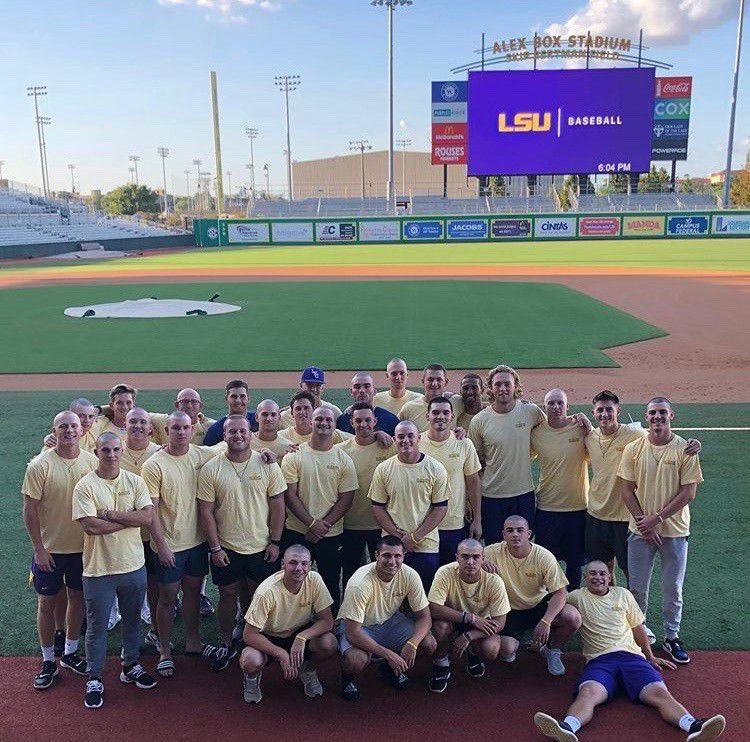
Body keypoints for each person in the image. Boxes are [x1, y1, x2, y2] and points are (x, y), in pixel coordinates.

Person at [533, 561, 725, 742]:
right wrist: (544, 628)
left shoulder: (623, 594)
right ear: (585, 577)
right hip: (600, 661)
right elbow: (555, 604)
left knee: (660, 694)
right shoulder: (577, 596)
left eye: (602, 574)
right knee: (589, 693)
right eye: (592, 573)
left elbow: (637, 627)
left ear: (609, 577)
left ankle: (694, 727)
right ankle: (567, 728)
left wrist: (650, 657)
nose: (597, 577)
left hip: (632, 658)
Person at [73, 432, 158, 709]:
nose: (111, 455)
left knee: (133, 620)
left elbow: (147, 517)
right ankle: (94, 677)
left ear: (121, 452)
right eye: (105, 450)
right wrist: (129, 520)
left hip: (133, 566)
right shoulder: (85, 486)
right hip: (98, 570)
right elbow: (90, 527)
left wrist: (108, 514)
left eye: (115, 450)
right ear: (96, 452)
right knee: (97, 627)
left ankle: (130, 665)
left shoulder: (135, 481)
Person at [197, 415, 287, 672]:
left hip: (261, 546)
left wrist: (275, 541)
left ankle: (255, 637)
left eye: (242, 431)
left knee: (257, 596)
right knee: (227, 595)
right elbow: (207, 511)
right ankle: (226, 642)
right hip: (227, 547)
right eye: (232, 432)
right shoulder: (212, 468)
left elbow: (277, 504)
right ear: (224, 435)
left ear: (251, 433)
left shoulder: (267, 464)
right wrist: (215, 548)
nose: (237, 436)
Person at [618, 397, 703, 665]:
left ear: (671, 416)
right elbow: (626, 489)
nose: (657, 417)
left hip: (675, 531)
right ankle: (636, 636)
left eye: (662, 413)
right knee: (637, 589)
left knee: (673, 589)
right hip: (640, 530)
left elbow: (689, 492)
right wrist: (645, 522)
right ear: (647, 416)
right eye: (653, 413)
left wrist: (657, 518)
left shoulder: (685, 450)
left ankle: (671, 636)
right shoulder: (634, 448)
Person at [584, 391, 701, 587]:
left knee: (631, 574)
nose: (605, 414)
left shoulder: (635, 434)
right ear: (593, 413)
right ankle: (609, 613)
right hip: (596, 515)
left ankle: (632, 613)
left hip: (624, 517)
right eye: (600, 410)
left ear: (618, 411)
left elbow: (662, 438)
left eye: (609, 409)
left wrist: (694, 444)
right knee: (602, 570)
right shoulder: (589, 436)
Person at [141, 411, 220, 677]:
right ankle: (164, 648)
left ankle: (193, 641)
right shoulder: (154, 465)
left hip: (197, 543)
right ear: (166, 429)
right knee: (166, 599)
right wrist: (161, 545)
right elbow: (150, 510)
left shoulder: (200, 455)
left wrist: (265, 453)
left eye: (186, 428)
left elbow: (235, 447)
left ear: (192, 428)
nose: (181, 433)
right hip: (169, 545)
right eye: (175, 428)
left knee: (193, 595)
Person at [22, 411, 97, 690]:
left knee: (78, 599)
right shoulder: (40, 465)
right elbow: (29, 510)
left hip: (82, 549)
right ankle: (47, 661)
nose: (69, 431)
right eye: (63, 426)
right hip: (50, 550)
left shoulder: (92, 462)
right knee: (46, 603)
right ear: (54, 430)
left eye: (73, 426)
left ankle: (69, 653)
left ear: (82, 431)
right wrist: (39, 550)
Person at [337, 535, 437, 700]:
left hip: (390, 621)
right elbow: (352, 632)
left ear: (403, 556)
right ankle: (348, 678)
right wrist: (389, 654)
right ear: (376, 555)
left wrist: (412, 644)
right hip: (360, 627)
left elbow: (425, 617)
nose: (392, 562)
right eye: (386, 555)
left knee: (428, 643)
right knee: (355, 660)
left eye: (397, 556)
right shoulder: (360, 583)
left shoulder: (410, 575)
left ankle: (388, 669)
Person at [281, 406, 358, 608]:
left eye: (328, 420)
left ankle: (330, 625)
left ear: (334, 425)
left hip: (330, 534)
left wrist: (322, 526)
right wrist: (311, 524)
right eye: (319, 419)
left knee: (330, 581)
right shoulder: (294, 455)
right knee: (291, 580)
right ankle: (291, 622)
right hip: (297, 531)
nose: (323, 423)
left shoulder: (343, 459)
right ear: (311, 422)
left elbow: (346, 498)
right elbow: (290, 495)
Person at [484, 516, 581, 676]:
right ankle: (524, 642)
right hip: (510, 610)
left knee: (573, 617)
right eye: (510, 531)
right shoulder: (492, 552)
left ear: (529, 534)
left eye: (520, 530)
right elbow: (468, 556)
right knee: (506, 652)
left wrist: (546, 621)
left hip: (539, 605)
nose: (515, 534)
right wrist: (480, 562)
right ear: (503, 534)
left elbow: (561, 593)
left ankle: (552, 649)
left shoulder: (543, 556)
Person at [240, 544, 337, 703]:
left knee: (329, 643)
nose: (299, 568)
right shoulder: (267, 592)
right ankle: (251, 679)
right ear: (282, 564)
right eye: (293, 563)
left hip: (298, 632)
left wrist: (301, 637)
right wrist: (281, 653)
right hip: (268, 636)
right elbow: (249, 635)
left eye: (304, 564)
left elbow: (327, 621)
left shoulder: (314, 580)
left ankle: (308, 670)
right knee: (250, 660)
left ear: (310, 565)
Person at [468, 365, 545, 544]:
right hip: (491, 497)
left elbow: (551, 430)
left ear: (516, 386)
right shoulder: (479, 420)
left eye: (507, 384)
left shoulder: (531, 412)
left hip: (523, 494)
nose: (502, 388)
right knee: (494, 549)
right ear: (491, 389)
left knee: (523, 547)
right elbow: (474, 466)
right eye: (498, 384)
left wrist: (578, 417)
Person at [369, 420, 449, 590]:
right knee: (391, 595)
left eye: (410, 436)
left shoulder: (436, 468)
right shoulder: (384, 469)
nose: (406, 440)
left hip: (426, 545)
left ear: (419, 438)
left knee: (424, 595)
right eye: (401, 437)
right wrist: (399, 537)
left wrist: (414, 538)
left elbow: (440, 508)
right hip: (392, 546)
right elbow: (377, 507)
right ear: (394, 439)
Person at [427, 538, 510, 692]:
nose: (470, 562)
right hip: (454, 617)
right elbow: (434, 608)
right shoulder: (445, 572)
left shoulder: (494, 581)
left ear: (483, 558)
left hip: (481, 623)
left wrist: (469, 636)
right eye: (465, 556)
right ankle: (441, 663)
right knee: (440, 627)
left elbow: (500, 622)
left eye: (476, 557)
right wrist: (470, 617)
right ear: (456, 557)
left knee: (491, 649)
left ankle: (473, 652)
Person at [531, 389, 591, 589]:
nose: (555, 407)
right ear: (544, 407)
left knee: (575, 563)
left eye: (560, 403)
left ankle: (572, 601)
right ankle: (549, 603)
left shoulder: (580, 428)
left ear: (567, 407)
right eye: (551, 404)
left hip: (578, 508)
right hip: (547, 508)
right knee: (547, 562)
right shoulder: (537, 432)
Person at [336, 402, 397, 587]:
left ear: (375, 421)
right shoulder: (341, 450)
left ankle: (384, 610)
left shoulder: (389, 447)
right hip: (350, 524)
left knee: (384, 572)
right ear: (351, 422)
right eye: (358, 420)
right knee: (351, 573)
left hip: (381, 523)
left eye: (368, 420)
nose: (363, 424)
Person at [419, 396, 482, 563]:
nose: (441, 416)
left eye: (446, 412)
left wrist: (477, 519)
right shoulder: (416, 442)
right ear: (427, 416)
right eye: (435, 412)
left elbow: (473, 482)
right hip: (422, 525)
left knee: (453, 574)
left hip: (454, 524)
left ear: (452, 417)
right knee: (427, 576)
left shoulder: (463, 443)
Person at [115, 407, 161, 633]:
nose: (138, 426)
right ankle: (117, 614)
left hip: (150, 531)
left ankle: (150, 614)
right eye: (133, 422)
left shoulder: (159, 452)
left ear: (151, 428)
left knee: (151, 579)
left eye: (143, 422)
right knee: (122, 578)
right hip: (122, 530)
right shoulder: (114, 452)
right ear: (125, 425)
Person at [398, 363, 458, 433]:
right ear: (423, 381)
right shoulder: (409, 408)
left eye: (439, 380)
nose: (434, 384)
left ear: (446, 382)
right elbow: (396, 429)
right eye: (430, 379)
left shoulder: (456, 401)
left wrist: (462, 430)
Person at [336, 372, 400, 436]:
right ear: (351, 392)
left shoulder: (390, 420)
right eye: (357, 387)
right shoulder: (342, 421)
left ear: (374, 391)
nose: (362, 391)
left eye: (367, 386)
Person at [280, 391, 352, 445]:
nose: (302, 412)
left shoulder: (328, 433)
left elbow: (355, 440)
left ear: (313, 411)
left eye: (306, 408)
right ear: (292, 413)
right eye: (298, 409)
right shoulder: (283, 436)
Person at [149, 388, 216, 445]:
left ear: (200, 406)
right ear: (177, 405)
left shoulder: (209, 426)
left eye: (194, 401)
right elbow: (141, 415)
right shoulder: (163, 421)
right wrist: (147, 423)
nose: (189, 406)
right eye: (184, 401)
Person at [202, 380, 258, 446]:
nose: (238, 400)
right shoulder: (215, 430)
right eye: (234, 396)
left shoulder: (259, 421)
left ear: (248, 398)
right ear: (226, 398)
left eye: (242, 396)